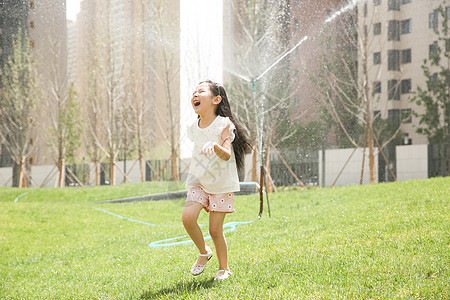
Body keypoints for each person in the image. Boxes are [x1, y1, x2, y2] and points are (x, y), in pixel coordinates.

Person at [182, 80, 251, 280]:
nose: (195, 94)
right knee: (187, 218)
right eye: (194, 92)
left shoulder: (224, 124)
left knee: (214, 230)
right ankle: (204, 252)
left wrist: (215, 145)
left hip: (221, 185)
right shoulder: (194, 126)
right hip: (199, 181)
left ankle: (224, 268)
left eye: (200, 91)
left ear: (216, 100)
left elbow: (227, 155)